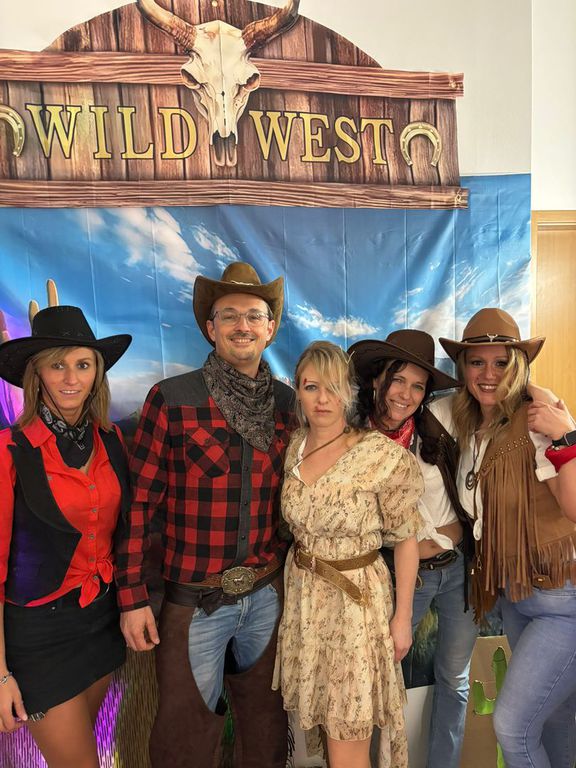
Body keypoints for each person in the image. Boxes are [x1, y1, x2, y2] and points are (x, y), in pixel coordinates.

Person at [115, 262, 294, 768]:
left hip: (267, 592)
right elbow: (139, 504)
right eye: (229, 315)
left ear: (270, 328)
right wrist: (132, 597)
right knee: (184, 734)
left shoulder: (287, 404)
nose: (243, 326)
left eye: (254, 316)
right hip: (193, 599)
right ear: (210, 328)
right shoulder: (173, 398)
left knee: (266, 726)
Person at [273, 340, 423, 768]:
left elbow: (406, 539)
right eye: (311, 387)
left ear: (350, 392)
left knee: (348, 733)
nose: (323, 399)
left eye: (334, 387)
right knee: (325, 726)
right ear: (298, 390)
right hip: (306, 601)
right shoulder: (294, 447)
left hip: (355, 605)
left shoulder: (379, 455)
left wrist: (402, 619)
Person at [439, 307, 576, 768]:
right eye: (477, 362)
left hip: (561, 599)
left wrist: (567, 436)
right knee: (553, 718)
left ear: (518, 366)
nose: (489, 374)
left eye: (501, 363)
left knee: (513, 727)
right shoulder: (470, 426)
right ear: (463, 369)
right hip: (517, 597)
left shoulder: (538, 418)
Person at [0, 304, 132, 768]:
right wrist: (0, 675)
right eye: (58, 365)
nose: (72, 378)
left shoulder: (111, 441)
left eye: (83, 364)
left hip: (100, 624)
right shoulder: (10, 451)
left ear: (97, 373)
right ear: (37, 374)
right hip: (39, 637)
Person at [348, 329, 477, 768]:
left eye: (418, 386)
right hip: (401, 577)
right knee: (381, 681)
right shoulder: (353, 439)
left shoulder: (436, 427)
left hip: (457, 570)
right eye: (397, 380)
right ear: (376, 380)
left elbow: (499, 400)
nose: (405, 394)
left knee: (455, 679)